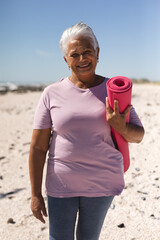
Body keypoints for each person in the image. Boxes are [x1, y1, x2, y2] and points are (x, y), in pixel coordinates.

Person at [29, 22, 145, 240]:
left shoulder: (113, 89)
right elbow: (37, 147)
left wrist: (121, 126)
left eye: (87, 52)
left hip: (101, 183)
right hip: (61, 184)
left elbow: (138, 135)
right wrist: (35, 194)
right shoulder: (51, 93)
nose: (82, 59)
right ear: (66, 60)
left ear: (97, 53)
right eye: (75, 55)